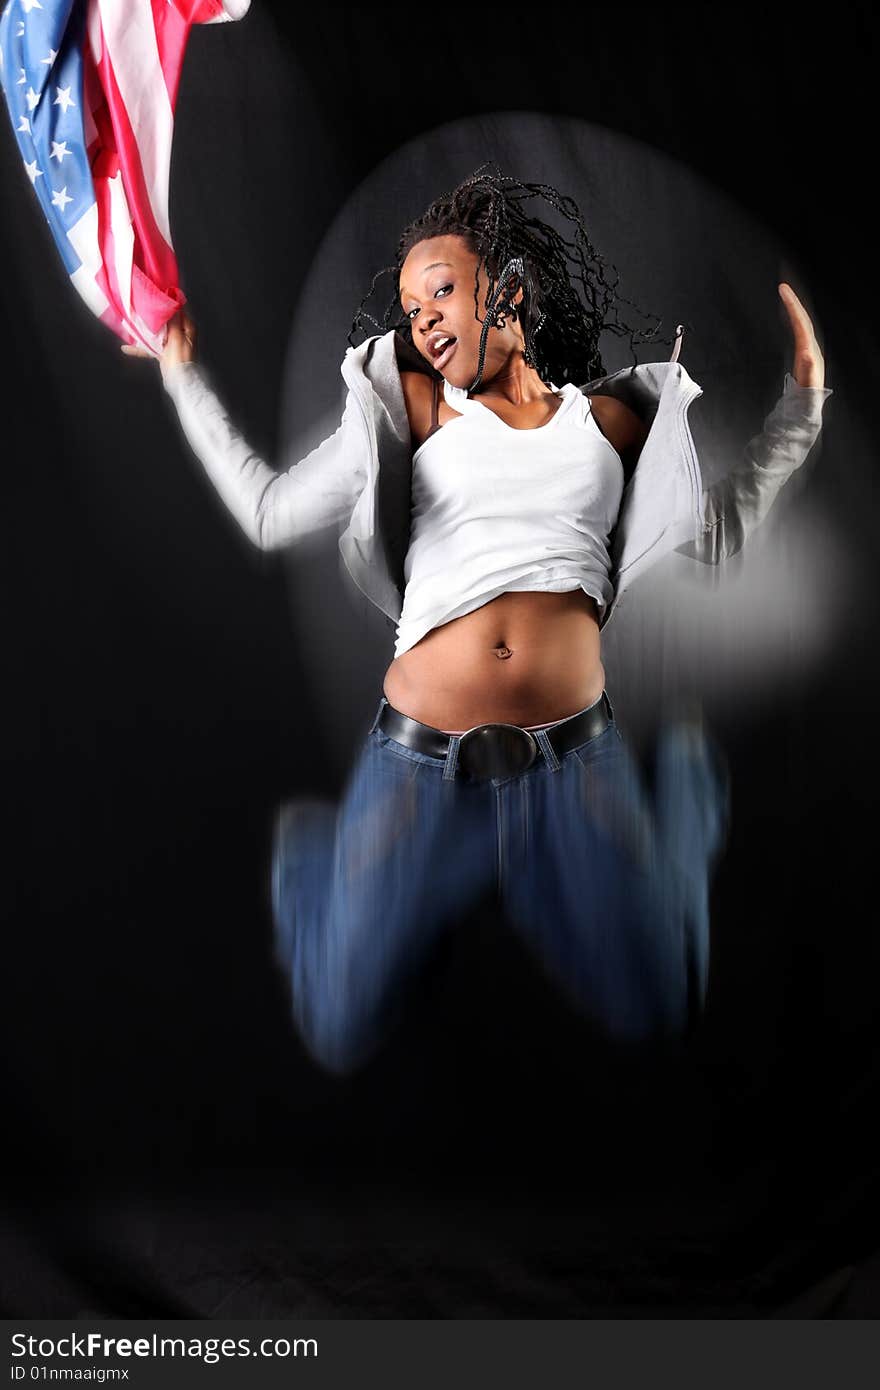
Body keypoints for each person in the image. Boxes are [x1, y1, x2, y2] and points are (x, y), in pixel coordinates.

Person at [125, 168, 832, 1075]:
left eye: (442, 289)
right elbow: (267, 510)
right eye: (412, 303)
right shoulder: (411, 412)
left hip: (575, 764)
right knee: (338, 1022)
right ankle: (314, 860)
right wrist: (185, 380)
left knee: (664, 997)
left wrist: (804, 402)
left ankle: (685, 813)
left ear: (508, 290)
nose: (420, 318)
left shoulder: (613, 422)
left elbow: (720, 528)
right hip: (423, 772)